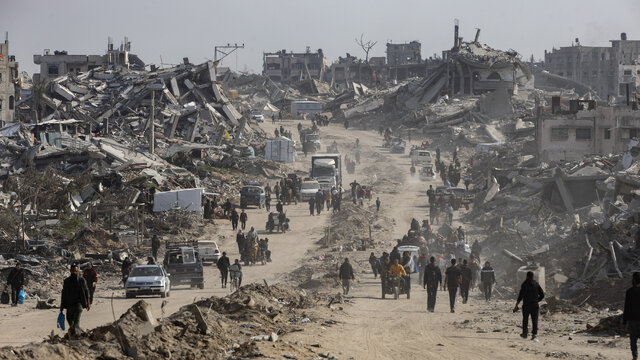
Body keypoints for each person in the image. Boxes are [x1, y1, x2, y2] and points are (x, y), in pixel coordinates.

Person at [513, 271, 545, 340]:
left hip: (526, 305)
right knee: (535, 320)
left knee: (525, 319)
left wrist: (516, 305)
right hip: (535, 305)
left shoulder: (524, 284)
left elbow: (520, 296)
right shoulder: (536, 284)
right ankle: (534, 334)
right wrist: (537, 300)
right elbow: (542, 295)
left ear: (527, 276)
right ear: (533, 276)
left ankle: (525, 334)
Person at [60, 264, 90, 336]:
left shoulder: (82, 280)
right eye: (73, 271)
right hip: (69, 304)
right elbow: (63, 293)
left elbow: (87, 292)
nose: (74, 272)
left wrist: (88, 303)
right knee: (69, 320)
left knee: (76, 320)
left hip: (78, 304)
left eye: (76, 271)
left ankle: (77, 335)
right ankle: (75, 333)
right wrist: (62, 304)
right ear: (70, 271)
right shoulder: (67, 281)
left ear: (78, 271)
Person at [624, 272, 640, 360]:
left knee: (633, 340)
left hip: (632, 320)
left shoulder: (629, 292)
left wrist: (624, 322)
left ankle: (635, 356)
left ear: (633, 280)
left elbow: (626, 308)